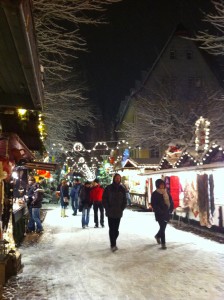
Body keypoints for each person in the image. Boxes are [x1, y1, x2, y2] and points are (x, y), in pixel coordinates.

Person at [102, 173, 127, 252]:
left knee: (116, 230)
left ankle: (113, 240)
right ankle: (113, 244)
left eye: (119, 178)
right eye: (116, 178)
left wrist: (121, 208)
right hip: (110, 212)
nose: (117, 179)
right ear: (114, 179)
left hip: (118, 212)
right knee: (111, 228)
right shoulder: (108, 188)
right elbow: (104, 199)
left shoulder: (122, 188)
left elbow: (125, 200)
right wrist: (107, 208)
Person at [151, 178, 174, 250]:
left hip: (167, 213)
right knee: (162, 228)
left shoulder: (166, 192)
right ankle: (163, 244)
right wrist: (160, 210)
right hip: (159, 213)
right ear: (157, 185)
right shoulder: (155, 193)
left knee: (163, 228)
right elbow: (154, 204)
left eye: (163, 184)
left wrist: (171, 209)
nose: (162, 186)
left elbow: (171, 201)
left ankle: (157, 236)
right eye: (161, 184)